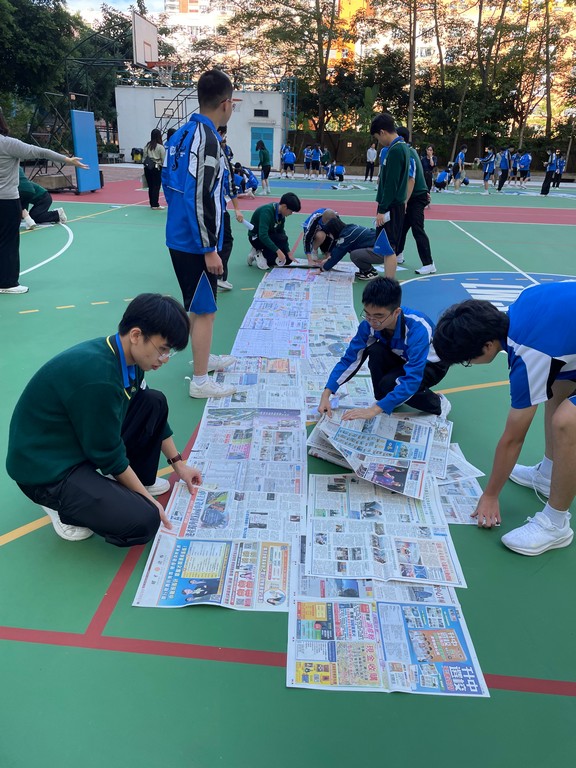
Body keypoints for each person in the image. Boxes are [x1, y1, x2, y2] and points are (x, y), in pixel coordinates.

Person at [6, 293, 202, 546]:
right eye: (162, 349)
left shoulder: (128, 359)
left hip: (75, 440)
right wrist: (148, 503)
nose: (164, 359)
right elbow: (108, 454)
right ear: (136, 335)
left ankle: (126, 486)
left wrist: (179, 464)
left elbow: (148, 418)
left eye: (169, 352)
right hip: (47, 469)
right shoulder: (99, 377)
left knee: (153, 401)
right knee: (144, 520)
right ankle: (60, 507)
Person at [432, 282, 576, 556]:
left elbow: (513, 438)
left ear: (487, 346)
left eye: (467, 360)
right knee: (556, 384)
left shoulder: (530, 353)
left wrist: (490, 495)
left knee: (567, 421)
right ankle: (548, 474)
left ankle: (556, 524)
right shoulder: (524, 301)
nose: (469, 364)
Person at [162, 68, 237, 400]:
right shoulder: (207, 139)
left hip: (180, 234)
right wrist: (209, 248)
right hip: (196, 243)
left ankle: (203, 359)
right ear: (226, 103)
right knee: (205, 309)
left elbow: (169, 184)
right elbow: (200, 195)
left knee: (198, 305)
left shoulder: (180, 135)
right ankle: (200, 380)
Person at [318, 277, 450, 423]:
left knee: (391, 383)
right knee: (376, 350)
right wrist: (327, 393)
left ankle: (438, 403)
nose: (372, 321)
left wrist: (373, 410)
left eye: (379, 316)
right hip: (403, 357)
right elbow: (350, 358)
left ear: (396, 312)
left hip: (431, 365)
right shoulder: (369, 325)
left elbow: (413, 377)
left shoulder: (418, 328)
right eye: (368, 314)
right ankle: (386, 399)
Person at [0, 110, 87, 294]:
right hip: (6, 200)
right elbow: (39, 151)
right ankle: (7, 284)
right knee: (8, 242)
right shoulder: (7, 144)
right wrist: (67, 159)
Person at [370, 113, 411, 280]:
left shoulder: (395, 150)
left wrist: (382, 209)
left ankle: (389, 282)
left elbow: (390, 184)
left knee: (388, 247)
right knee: (388, 246)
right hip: (396, 205)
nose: (379, 142)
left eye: (377, 138)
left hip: (391, 207)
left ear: (382, 132)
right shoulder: (402, 147)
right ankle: (389, 280)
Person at [394, 126, 435, 276]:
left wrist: (405, 201)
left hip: (416, 197)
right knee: (403, 227)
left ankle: (429, 264)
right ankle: (398, 254)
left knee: (418, 229)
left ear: (400, 138)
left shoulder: (408, 153)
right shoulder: (410, 151)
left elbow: (411, 179)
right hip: (416, 195)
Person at [313, 210, 379, 277]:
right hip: (378, 247)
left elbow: (337, 255)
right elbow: (336, 251)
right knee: (353, 250)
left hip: (379, 251)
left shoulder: (346, 237)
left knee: (355, 255)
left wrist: (322, 269)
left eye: (329, 234)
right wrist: (327, 260)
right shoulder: (349, 228)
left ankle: (369, 272)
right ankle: (368, 270)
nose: (329, 236)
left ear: (333, 231)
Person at [246, 192, 301, 269]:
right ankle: (259, 254)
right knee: (281, 242)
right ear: (284, 207)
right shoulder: (266, 211)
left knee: (287, 260)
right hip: (256, 238)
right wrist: (278, 251)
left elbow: (281, 233)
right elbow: (263, 235)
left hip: (269, 236)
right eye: (291, 211)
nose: (291, 213)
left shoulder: (281, 215)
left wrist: (289, 253)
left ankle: (257, 252)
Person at [143, 128, 166, 210]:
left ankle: (152, 203)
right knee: (156, 186)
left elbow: (144, 157)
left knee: (151, 186)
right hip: (156, 167)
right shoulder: (160, 147)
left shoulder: (147, 146)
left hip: (147, 167)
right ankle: (155, 204)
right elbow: (163, 159)